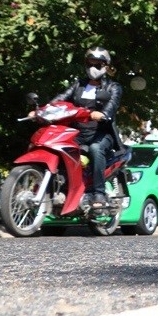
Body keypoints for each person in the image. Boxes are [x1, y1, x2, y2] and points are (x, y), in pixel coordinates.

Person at [49, 47, 122, 206]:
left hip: (102, 133)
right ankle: (61, 189)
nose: (93, 67)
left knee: (96, 148)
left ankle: (99, 193)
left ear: (105, 65)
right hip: (78, 133)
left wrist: (102, 114)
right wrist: (44, 109)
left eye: (98, 64)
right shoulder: (78, 84)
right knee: (58, 148)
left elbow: (112, 105)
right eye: (90, 63)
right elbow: (62, 98)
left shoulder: (113, 87)